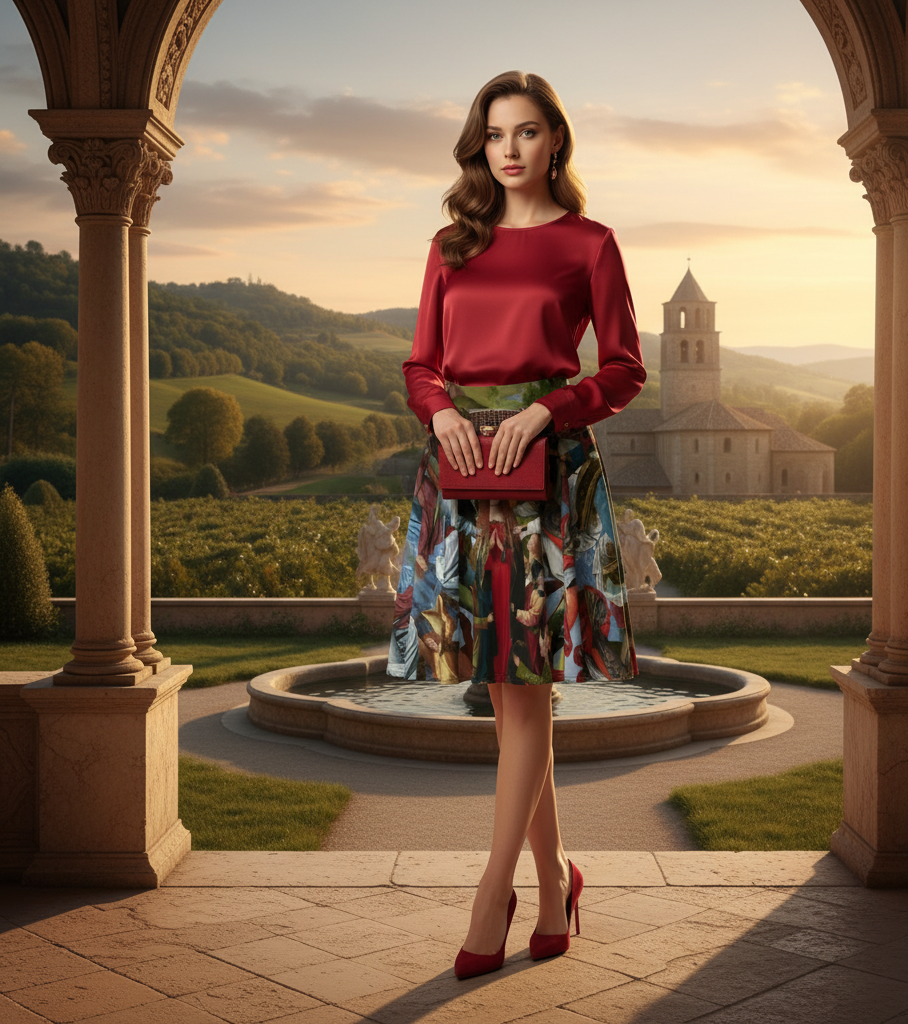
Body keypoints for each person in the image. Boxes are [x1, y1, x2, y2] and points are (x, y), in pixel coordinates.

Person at [387, 70, 646, 980]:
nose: (509, 149)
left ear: (554, 140)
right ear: (480, 144)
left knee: (526, 685)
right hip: (461, 477)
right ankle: (554, 882)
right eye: (495, 133)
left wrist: (548, 409)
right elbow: (421, 363)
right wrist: (440, 413)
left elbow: (625, 368)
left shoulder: (589, 244)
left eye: (527, 131)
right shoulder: (450, 245)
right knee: (502, 692)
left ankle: (490, 892)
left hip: (549, 475)